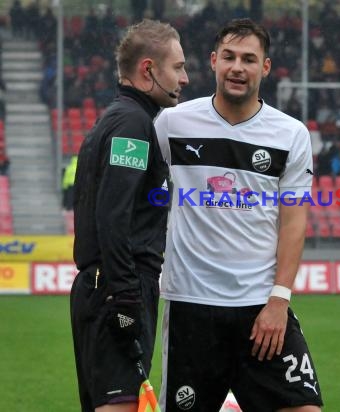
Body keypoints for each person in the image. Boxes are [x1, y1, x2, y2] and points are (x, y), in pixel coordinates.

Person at [154, 18, 323, 411]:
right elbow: (143, 193)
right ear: (213, 61)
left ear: (265, 68)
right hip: (191, 306)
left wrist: (279, 300)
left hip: (260, 307)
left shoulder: (290, 134)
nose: (237, 67)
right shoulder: (172, 124)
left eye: (249, 59)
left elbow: (294, 221)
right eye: (228, 57)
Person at [70, 19, 188, 412]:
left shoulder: (115, 119)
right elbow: (112, 213)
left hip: (100, 286)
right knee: (119, 405)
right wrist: (125, 297)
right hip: (117, 286)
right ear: (148, 69)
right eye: (177, 66)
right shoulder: (134, 126)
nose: (185, 78)